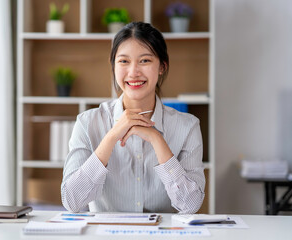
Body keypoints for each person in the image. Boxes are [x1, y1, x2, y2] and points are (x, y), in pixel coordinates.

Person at [61, 22, 205, 213]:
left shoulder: (187, 127)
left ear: (162, 66)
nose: (133, 72)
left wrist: (156, 138)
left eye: (145, 61)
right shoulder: (88, 123)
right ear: (113, 66)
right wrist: (111, 137)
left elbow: (191, 205)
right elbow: (72, 201)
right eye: (124, 61)